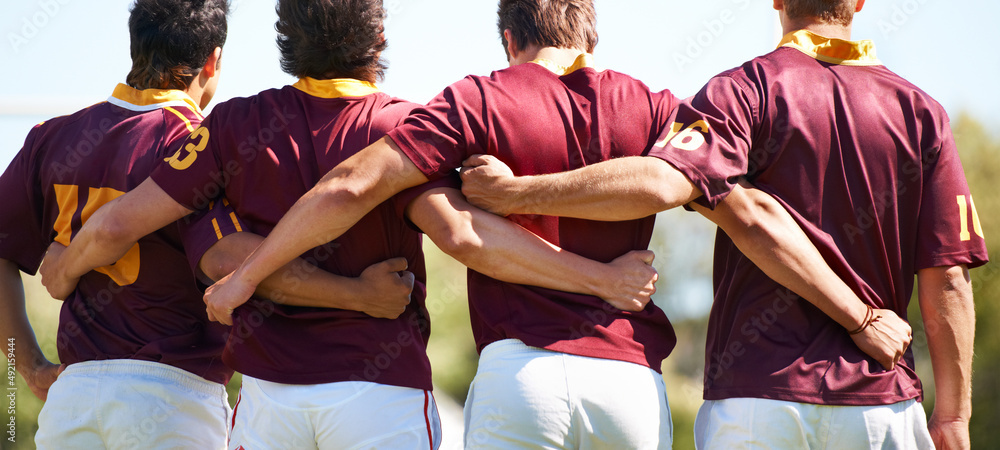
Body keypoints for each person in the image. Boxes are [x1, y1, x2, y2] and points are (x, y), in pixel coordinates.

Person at [194, 0, 913, 447]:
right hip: (628, 381)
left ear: (509, 36)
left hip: (519, 374)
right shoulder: (657, 106)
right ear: (591, 28)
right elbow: (751, 213)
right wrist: (858, 314)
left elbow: (360, 187)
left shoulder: (475, 101)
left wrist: (247, 278)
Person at [36, 0, 660, 448]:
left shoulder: (231, 125)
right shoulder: (402, 124)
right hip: (379, 392)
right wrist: (600, 276)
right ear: (379, 38)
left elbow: (140, 226)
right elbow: (461, 234)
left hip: (267, 399)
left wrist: (66, 263)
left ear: (284, 35)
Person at [459, 0, 990, 448]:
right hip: (882, 405)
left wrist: (513, 194)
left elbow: (679, 187)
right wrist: (953, 415)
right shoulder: (923, 112)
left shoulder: (742, 91)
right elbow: (948, 279)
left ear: (778, 1)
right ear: (859, 2)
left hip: (757, 397)